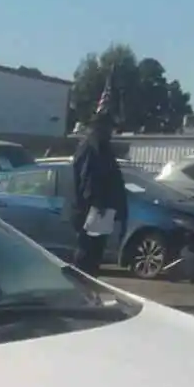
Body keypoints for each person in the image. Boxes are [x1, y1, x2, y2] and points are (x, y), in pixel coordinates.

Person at [68, 86, 129, 275]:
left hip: (102, 210)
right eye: (108, 127)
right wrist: (97, 205)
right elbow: (88, 180)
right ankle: (82, 292)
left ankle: (89, 291)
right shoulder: (91, 148)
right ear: (100, 127)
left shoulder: (102, 148)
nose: (111, 131)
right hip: (93, 210)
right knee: (87, 254)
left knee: (95, 255)